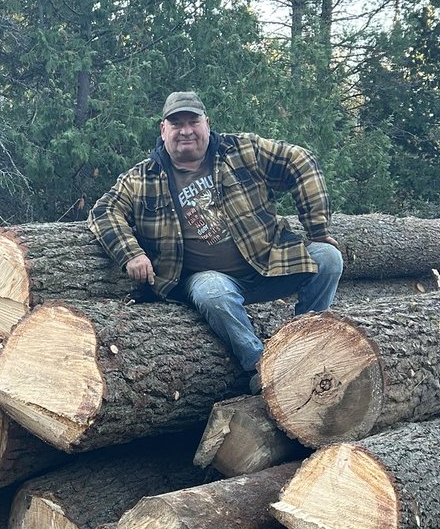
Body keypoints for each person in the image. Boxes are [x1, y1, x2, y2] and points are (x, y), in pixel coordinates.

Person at [88, 90, 343, 389]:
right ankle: (265, 369)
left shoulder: (243, 150)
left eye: (193, 121)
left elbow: (301, 160)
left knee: (328, 257)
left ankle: (303, 348)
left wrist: (316, 229)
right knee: (213, 291)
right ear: (163, 129)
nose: (186, 131)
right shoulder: (141, 179)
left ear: (207, 123)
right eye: (176, 123)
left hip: (269, 261)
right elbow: (104, 210)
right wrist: (130, 253)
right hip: (208, 279)